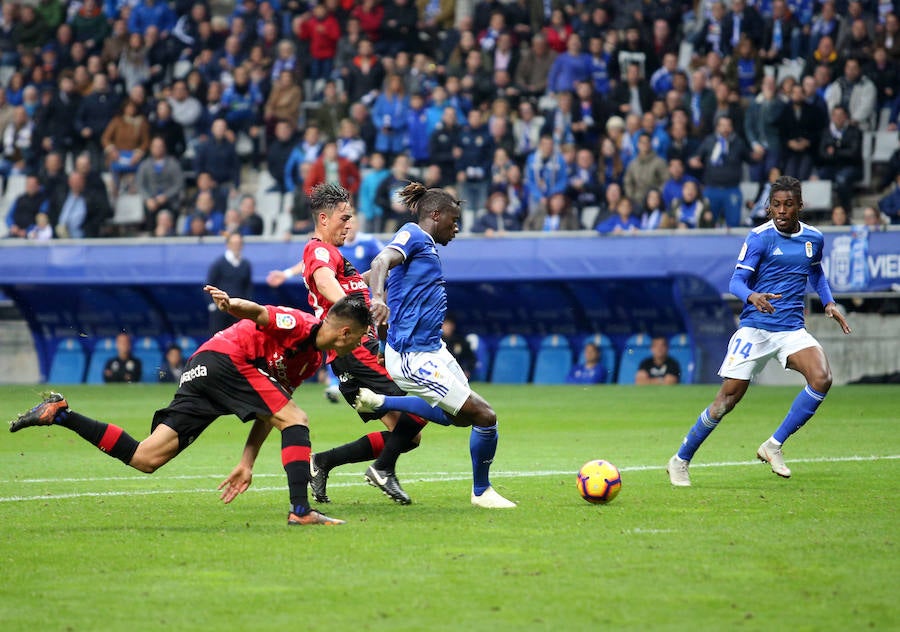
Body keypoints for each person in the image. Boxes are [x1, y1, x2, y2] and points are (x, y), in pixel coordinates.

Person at [10, 287, 370, 526]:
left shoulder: (313, 359)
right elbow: (259, 312)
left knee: (146, 458)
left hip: (203, 367)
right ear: (344, 332)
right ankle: (301, 511)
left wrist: (246, 463)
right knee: (299, 418)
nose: (357, 346)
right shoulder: (302, 325)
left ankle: (61, 414)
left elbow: (273, 412)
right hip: (227, 358)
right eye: (357, 339)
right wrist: (232, 306)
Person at [666, 176, 852, 487]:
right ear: (769, 207)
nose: (781, 210)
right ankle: (680, 459)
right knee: (726, 401)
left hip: (791, 329)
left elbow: (816, 271)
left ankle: (773, 445)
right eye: (776, 205)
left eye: (788, 205)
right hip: (755, 328)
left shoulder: (814, 238)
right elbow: (736, 282)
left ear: (799, 206)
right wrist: (752, 296)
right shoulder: (759, 238)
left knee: (822, 378)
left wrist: (829, 302)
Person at [265, 184, 427, 505]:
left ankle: (323, 462)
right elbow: (325, 282)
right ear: (323, 219)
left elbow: (351, 283)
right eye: (344, 217)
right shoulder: (319, 251)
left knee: (409, 435)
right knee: (418, 415)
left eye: (351, 217)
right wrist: (360, 313)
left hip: (350, 353)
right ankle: (382, 470)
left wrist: (385, 269)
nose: (349, 224)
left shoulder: (335, 256)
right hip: (354, 349)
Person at [360, 182, 516, 509]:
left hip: (434, 349)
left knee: (461, 417)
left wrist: (359, 284)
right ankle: (481, 492)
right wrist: (377, 298)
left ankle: (381, 401)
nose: (456, 227)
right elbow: (380, 263)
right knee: (485, 416)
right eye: (453, 219)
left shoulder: (426, 249)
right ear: (435, 214)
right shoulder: (414, 234)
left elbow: (373, 273)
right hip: (412, 356)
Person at [206, 232, 252, 335]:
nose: (236, 246)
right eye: (234, 243)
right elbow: (210, 283)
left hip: (239, 309)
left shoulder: (246, 264)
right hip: (221, 308)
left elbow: (248, 286)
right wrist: (212, 305)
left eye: (239, 243)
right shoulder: (218, 264)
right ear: (228, 245)